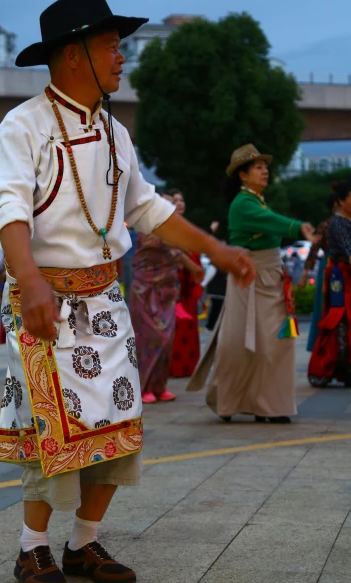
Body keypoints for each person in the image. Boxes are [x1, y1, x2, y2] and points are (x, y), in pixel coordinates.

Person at [0, 0, 255, 583]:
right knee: (51, 427)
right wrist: (28, 280)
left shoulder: (114, 131)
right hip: (45, 303)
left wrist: (214, 251)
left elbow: (146, 208)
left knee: (117, 422)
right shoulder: (24, 124)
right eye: (111, 45)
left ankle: (83, 541)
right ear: (73, 53)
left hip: (106, 303)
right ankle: (31, 551)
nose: (120, 57)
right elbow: (8, 206)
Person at [187, 144, 315, 423]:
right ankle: (246, 402)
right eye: (258, 167)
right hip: (252, 279)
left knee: (267, 343)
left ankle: (263, 404)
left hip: (266, 278)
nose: (265, 171)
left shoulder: (255, 200)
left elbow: (267, 220)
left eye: (265, 167)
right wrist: (296, 227)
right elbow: (269, 222)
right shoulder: (245, 204)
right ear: (243, 175)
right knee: (254, 344)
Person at [129, 194, 181, 404]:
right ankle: (143, 387)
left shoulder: (170, 229)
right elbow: (160, 243)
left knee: (167, 340)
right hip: (145, 291)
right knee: (150, 338)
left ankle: (159, 386)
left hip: (166, 292)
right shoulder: (146, 226)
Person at [308, 180, 351, 387]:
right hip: (341, 278)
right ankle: (339, 366)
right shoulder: (338, 223)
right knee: (340, 320)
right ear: (341, 201)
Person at [169, 189, 204, 379]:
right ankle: (174, 367)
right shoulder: (167, 226)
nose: (179, 203)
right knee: (177, 324)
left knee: (190, 323)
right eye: (175, 200)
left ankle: (189, 366)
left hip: (190, 284)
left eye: (181, 200)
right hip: (175, 282)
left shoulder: (188, 226)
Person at [297, 192, 338, 352]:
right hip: (329, 267)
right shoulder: (326, 225)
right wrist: (304, 274)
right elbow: (314, 250)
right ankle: (323, 346)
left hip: (342, 266)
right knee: (325, 306)